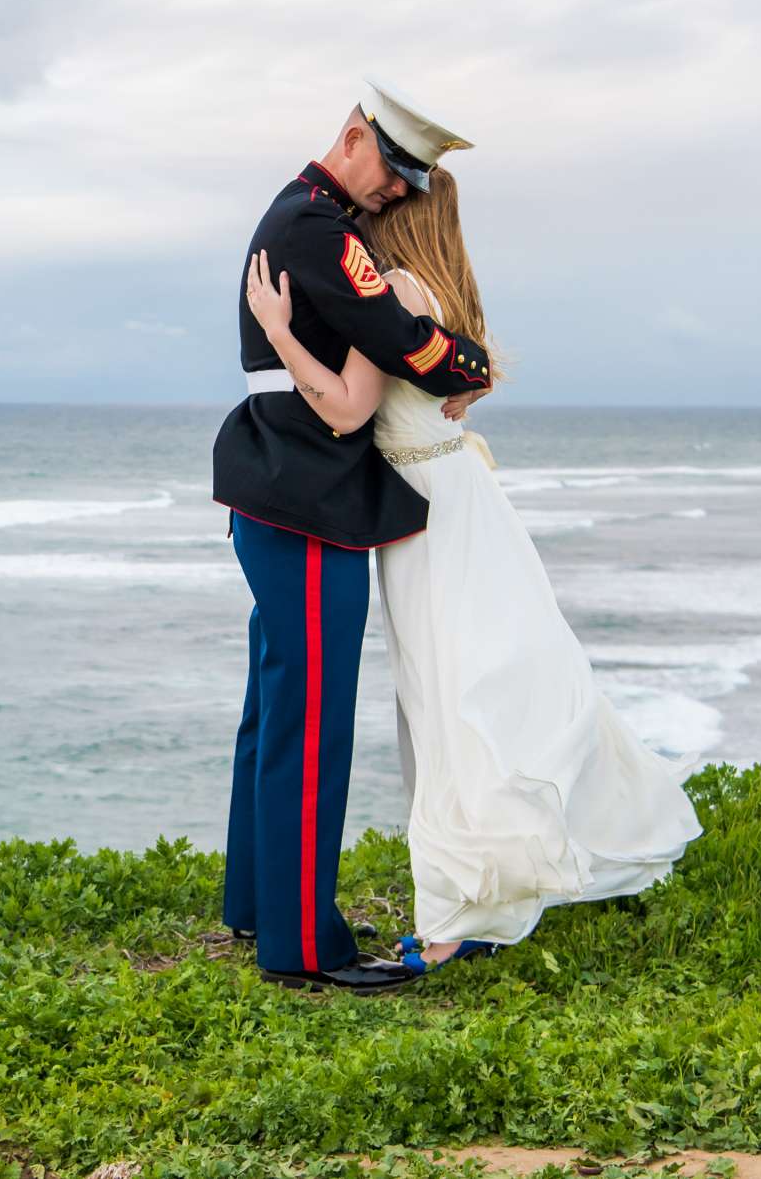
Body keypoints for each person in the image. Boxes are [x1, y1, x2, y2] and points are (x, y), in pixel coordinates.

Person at [243, 164, 703, 975]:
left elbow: (351, 406)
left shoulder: (395, 293)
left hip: (431, 519)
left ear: (404, 222)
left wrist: (279, 333)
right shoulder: (438, 299)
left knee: (451, 703)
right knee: (478, 692)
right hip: (456, 499)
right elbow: (462, 372)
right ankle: (487, 880)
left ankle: (467, 905)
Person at [209, 79, 494, 994]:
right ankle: (302, 945)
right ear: (353, 138)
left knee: (275, 705)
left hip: (284, 486)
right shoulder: (317, 230)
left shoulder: (306, 218)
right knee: (312, 717)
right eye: (400, 167)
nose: (405, 190)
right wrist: (476, 365)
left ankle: (259, 904)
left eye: (418, 178)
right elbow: (404, 338)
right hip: (308, 494)